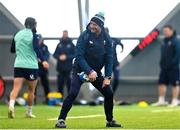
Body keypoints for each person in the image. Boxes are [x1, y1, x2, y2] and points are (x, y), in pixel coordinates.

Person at [55, 12, 122, 128]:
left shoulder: (107, 38)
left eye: (95, 24)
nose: (92, 26)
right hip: (80, 70)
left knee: (109, 93)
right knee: (72, 93)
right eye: (91, 23)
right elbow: (79, 56)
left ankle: (110, 120)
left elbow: (109, 58)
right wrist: (89, 71)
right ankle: (61, 120)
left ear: (100, 26)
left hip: (96, 73)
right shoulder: (84, 36)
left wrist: (108, 77)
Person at [8, 17, 49, 118]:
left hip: (18, 64)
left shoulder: (17, 34)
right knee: (31, 90)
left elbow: (12, 50)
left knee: (16, 88)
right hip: (31, 66)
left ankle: (11, 105)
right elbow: (36, 48)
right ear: (33, 25)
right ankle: (29, 112)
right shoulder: (33, 35)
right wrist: (43, 60)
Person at [153, 25, 180, 107]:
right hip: (164, 67)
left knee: (175, 84)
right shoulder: (164, 41)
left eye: (167, 31)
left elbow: (178, 53)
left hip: (173, 68)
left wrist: (172, 63)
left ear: (171, 31)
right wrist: (161, 63)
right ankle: (161, 100)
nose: (165, 33)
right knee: (161, 83)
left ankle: (175, 100)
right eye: (164, 31)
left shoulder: (176, 41)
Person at [53, 30, 75, 95]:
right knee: (60, 84)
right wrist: (59, 57)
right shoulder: (59, 44)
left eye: (65, 34)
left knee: (69, 84)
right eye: (63, 34)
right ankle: (60, 99)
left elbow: (75, 54)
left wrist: (67, 57)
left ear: (67, 34)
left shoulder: (71, 44)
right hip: (60, 68)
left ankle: (70, 99)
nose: (64, 35)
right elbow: (54, 54)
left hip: (68, 68)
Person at [105, 27, 124, 94]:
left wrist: (122, 49)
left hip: (115, 63)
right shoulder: (100, 41)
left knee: (116, 79)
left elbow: (120, 43)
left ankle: (112, 93)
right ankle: (108, 96)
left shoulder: (113, 40)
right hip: (107, 64)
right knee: (107, 80)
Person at [37, 34, 50, 104]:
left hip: (43, 69)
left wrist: (42, 60)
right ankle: (33, 100)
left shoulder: (45, 47)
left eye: (40, 39)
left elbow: (47, 56)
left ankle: (48, 100)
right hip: (36, 68)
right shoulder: (34, 47)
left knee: (46, 85)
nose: (39, 40)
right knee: (34, 85)